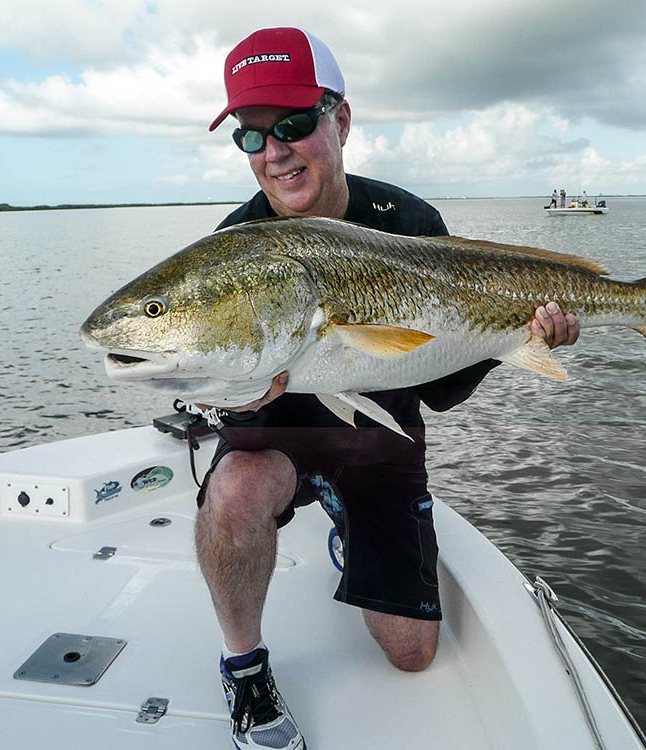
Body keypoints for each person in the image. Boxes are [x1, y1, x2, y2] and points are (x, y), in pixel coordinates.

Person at [199, 26, 579, 750]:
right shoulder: (235, 247)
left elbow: (440, 390)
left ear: (340, 120)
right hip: (279, 437)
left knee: (412, 654)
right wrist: (226, 393)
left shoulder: (408, 224)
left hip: (380, 442)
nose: (274, 152)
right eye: (252, 137)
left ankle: (347, 510)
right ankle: (244, 668)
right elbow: (204, 362)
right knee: (235, 488)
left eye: (294, 125)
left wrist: (516, 338)